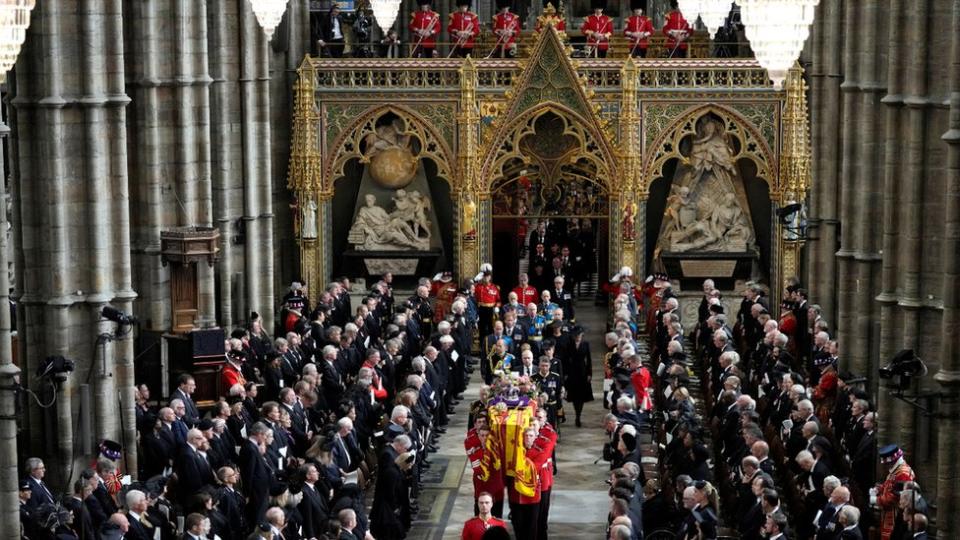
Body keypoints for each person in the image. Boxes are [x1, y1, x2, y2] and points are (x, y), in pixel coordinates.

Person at [875, 444, 914, 540]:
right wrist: (880, 489)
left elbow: (895, 497)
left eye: (886, 463)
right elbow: (890, 485)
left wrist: (876, 500)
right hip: (889, 513)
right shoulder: (896, 470)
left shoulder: (903, 474)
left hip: (895, 515)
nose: (885, 466)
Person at [563, 326, 594, 427]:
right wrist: (566, 373)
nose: (578, 337)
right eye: (576, 336)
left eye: (580, 335)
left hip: (582, 371)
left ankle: (578, 416)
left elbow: (589, 360)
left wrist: (590, 373)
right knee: (574, 395)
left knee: (581, 396)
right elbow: (566, 360)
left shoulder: (586, 344)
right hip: (572, 371)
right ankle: (577, 413)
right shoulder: (569, 345)